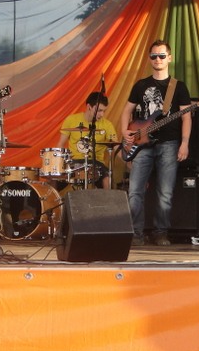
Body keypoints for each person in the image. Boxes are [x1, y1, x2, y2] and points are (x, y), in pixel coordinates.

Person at [120, 40, 192, 246]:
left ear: (169, 58)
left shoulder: (178, 87)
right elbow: (127, 111)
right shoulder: (141, 85)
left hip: (169, 143)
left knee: (165, 192)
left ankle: (161, 233)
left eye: (161, 56)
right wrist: (125, 131)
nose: (157, 59)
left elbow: (186, 117)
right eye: (154, 56)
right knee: (135, 191)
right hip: (141, 144)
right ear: (149, 59)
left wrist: (184, 143)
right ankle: (136, 234)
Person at [56, 92, 118, 189]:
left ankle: (109, 199)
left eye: (104, 111)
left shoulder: (107, 125)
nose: (102, 114)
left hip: (96, 163)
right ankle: (47, 199)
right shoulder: (71, 120)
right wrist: (58, 164)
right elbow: (60, 144)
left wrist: (127, 158)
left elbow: (116, 145)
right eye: (99, 110)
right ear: (89, 107)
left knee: (107, 179)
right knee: (53, 180)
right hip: (74, 162)